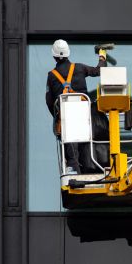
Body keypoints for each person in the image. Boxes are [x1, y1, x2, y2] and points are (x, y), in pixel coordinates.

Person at [45, 39, 107, 174]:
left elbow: (49, 102)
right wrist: (102, 55)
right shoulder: (79, 68)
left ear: (54, 56)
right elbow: (99, 70)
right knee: (86, 142)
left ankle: (74, 169)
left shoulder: (51, 76)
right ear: (68, 54)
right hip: (85, 115)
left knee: (71, 148)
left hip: (67, 118)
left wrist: (57, 117)